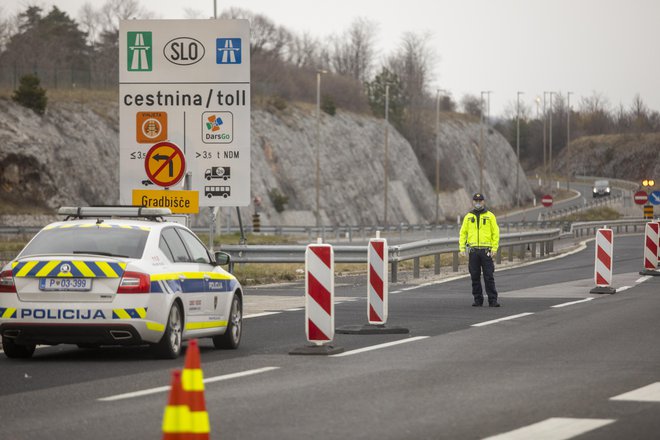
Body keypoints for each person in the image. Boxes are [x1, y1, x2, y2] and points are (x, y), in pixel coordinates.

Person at [459, 193, 501, 307]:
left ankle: (493, 300)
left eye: (480, 200)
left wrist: (494, 248)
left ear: (484, 202)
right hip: (473, 251)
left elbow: (495, 233)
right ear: (473, 202)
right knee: (474, 276)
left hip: (486, 251)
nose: (478, 202)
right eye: (476, 200)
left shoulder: (490, 216)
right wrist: (462, 248)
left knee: (489, 276)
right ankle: (478, 299)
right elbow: (463, 233)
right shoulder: (468, 217)